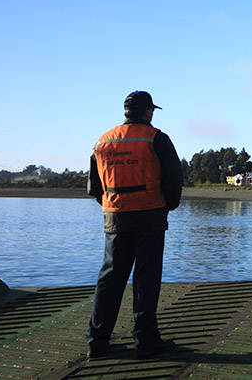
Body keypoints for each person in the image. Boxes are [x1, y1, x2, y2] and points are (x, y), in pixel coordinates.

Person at [85, 91, 183, 359]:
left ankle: (97, 341)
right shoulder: (156, 138)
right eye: (152, 110)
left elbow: (94, 187)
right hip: (150, 215)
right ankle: (146, 340)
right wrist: (167, 206)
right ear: (147, 111)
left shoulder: (102, 141)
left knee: (110, 278)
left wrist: (113, 204)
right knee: (146, 279)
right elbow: (174, 178)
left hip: (115, 217)